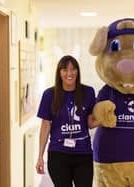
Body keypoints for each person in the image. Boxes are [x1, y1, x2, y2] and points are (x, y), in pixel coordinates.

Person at [35, 55, 95, 187]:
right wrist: (40, 157)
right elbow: (45, 126)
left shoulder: (88, 92)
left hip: (83, 152)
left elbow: (90, 123)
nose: (69, 73)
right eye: (65, 70)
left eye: (73, 69)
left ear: (78, 72)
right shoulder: (49, 94)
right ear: (59, 72)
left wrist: (105, 118)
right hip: (58, 154)